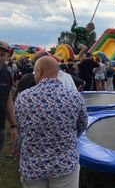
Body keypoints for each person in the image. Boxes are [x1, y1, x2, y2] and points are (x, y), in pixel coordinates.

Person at [15, 56, 88, 188]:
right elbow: (82, 125)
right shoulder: (75, 96)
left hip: (33, 166)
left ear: (38, 71)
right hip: (64, 165)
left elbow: (21, 128)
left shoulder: (23, 98)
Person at [0, 40, 17, 154]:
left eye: (2, 55)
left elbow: (8, 100)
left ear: (7, 56)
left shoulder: (6, 73)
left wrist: (13, 124)